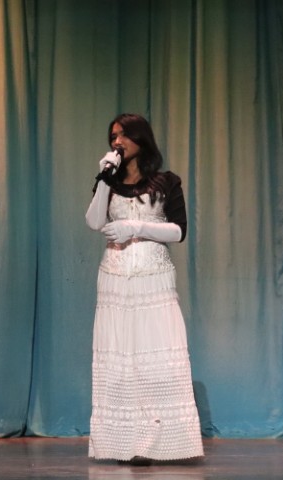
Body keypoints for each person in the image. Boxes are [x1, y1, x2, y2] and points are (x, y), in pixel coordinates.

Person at [85, 113, 203, 465]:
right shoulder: (110, 181)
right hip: (116, 276)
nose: (117, 141)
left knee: (155, 355)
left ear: (141, 139)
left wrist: (135, 227)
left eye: (123, 135)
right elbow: (94, 221)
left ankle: (161, 441)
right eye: (113, 136)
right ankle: (123, 443)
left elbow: (178, 231)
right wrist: (103, 179)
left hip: (153, 276)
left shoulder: (166, 181)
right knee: (120, 356)